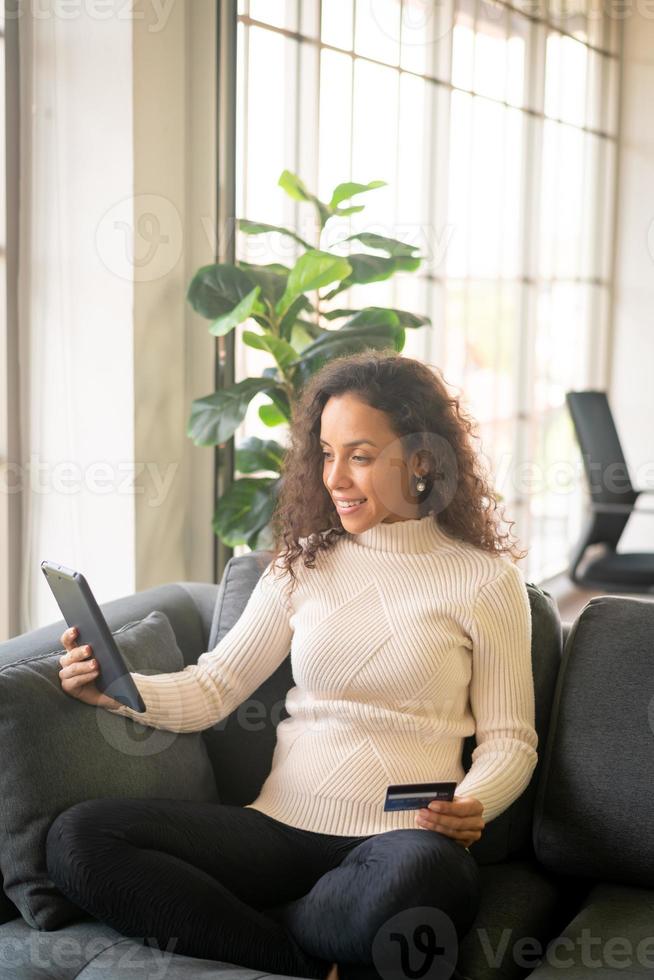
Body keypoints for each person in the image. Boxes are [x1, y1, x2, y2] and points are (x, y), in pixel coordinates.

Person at [46, 349, 538, 980]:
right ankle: (298, 954)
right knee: (80, 837)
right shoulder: (302, 564)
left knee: (430, 877)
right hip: (276, 832)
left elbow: (511, 741)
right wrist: (117, 688)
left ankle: (263, 927)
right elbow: (214, 686)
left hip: (397, 843)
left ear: (421, 459)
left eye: (359, 455)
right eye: (327, 454)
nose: (335, 477)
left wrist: (472, 803)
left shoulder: (483, 580)